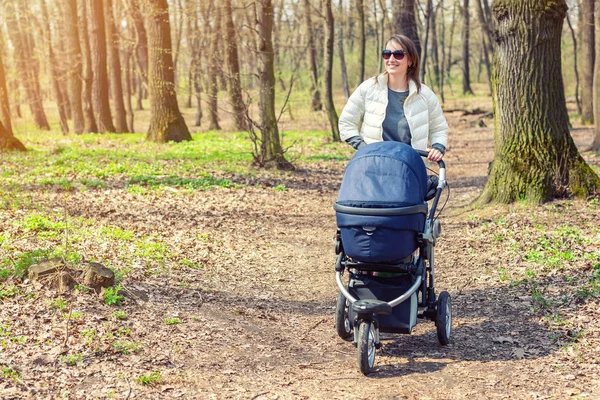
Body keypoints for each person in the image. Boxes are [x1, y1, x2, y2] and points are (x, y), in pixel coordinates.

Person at [338, 34, 449, 169]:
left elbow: (439, 128)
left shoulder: (425, 95)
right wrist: (365, 149)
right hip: (373, 166)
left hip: (410, 167)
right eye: (387, 54)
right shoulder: (368, 88)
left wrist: (437, 147)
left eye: (398, 54)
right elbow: (346, 123)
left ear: (410, 60)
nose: (391, 59)